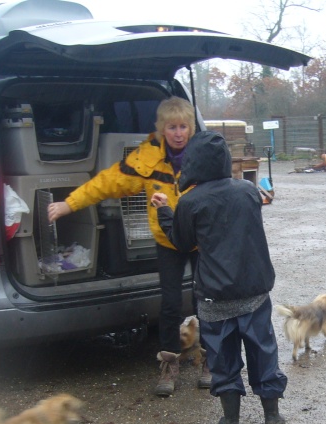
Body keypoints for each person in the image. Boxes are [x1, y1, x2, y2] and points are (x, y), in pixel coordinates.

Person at [47, 97, 210, 397]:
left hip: (201, 242)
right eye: (171, 127)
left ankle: (210, 360)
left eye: (183, 126)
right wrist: (69, 204)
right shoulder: (146, 159)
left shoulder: (204, 155)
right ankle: (170, 364)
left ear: (191, 128)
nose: (177, 133)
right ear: (162, 129)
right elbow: (107, 182)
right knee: (171, 304)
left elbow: (223, 191)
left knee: (206, 300)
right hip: (169, 241)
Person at [153, 131, 288, 424]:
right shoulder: (248, 191)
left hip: (215, 298)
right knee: (263, 351)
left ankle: (231, 421)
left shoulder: (189, 202)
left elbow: (181, 243)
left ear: (193, 164)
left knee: (223, 358)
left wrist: (164, 211)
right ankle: (272, 416)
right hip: (254, 291)